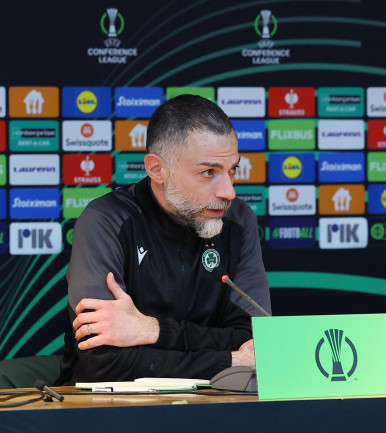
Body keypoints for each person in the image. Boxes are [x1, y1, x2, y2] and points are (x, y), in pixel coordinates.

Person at [56, 95, 271, 384]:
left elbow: (257, 341)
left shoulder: (239, 220)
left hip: (216, 403)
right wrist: (230, 360)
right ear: (157, 169)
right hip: (109, 407)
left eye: (232, 170)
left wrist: (152, 330)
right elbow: (103, 363)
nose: (229, 192)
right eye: (209, 172)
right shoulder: (107, 221)